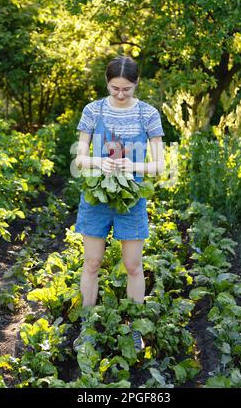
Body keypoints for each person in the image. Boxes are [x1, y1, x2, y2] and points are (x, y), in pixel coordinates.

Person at [73, 55, 165, 352]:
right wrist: (101, 162)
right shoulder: (93, 110)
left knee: (133, 266)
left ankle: (135, 329)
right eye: (115, 89)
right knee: (92, 263)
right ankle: (87, 326)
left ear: (137, 83)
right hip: (96, 197)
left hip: (131, 199)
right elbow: (80, 159)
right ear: (107, 83)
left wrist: (132, 167)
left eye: (127, 88)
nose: (121, 94)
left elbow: (161, 165)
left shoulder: (148, 114)